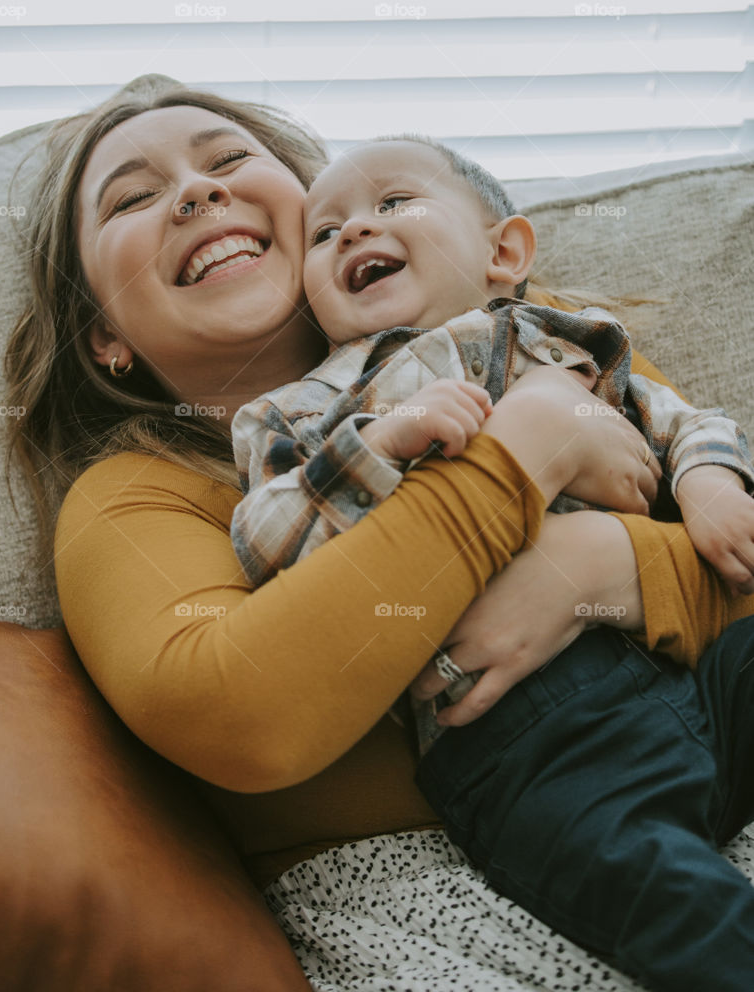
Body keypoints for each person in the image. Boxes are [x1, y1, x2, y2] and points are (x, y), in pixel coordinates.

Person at [4, 81, 754, 992]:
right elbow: (242, 715)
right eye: (133, 198)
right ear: (103, 336)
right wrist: (522, 451)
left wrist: (604, 567)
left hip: (711, 741)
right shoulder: (135, 497)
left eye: (229, 160)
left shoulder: (525, 336)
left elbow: (726, 521)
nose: (197, 191)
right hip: (456, 904)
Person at [226, 134, 754, 990]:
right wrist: (379, 444)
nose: (354, 230)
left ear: (503, 253)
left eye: (393, 203)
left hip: (690, 669)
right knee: (666, 901)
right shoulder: (297, 411)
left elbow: (685, 423)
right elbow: (265, 540)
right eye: (322, 234)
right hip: (531, 741)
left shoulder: (570, 342)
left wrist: (709, 488)